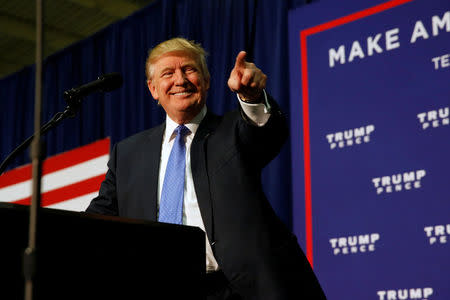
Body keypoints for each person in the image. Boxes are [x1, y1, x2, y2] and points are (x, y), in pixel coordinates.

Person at [86, 37, 326, 300]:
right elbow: (97, 222)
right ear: (153, 89)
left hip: (241, 290)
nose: (180, 80)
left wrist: (252, 96)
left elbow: (266, 134)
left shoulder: (233, 131)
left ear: (207, 81)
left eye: (189, 70)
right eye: (168, 73)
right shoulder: (128, 154)